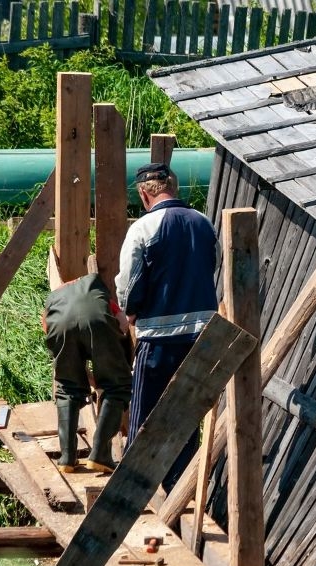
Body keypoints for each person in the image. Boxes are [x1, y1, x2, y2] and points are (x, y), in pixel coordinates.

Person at [115, 162, 218, 491]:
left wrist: (131, 311)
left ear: (145, 193)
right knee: (187, 417)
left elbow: (128, 286)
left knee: (144, 417)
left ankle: (132, 492)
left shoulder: (144, 228)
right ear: (173, 186)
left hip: (160, 337)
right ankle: (179, 490)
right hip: (202, 337)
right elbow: (211, 267)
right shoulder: (204, 223)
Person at [43, 273, 133, 474]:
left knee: (67, 388)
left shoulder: (54, 297)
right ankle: (100, 455)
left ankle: (67, 458)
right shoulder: (100, 295)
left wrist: (78, 371)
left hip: (58, 324)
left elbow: (49, 331)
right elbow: (123, 323)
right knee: (116, 386)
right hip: (97, 320)